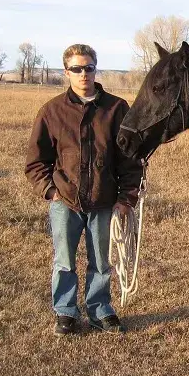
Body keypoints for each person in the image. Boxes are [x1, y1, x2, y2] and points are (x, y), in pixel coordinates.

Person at [25, 44, 143, 336]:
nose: (83, 74)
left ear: (95, 69)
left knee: (102, 262)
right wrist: (51, 191)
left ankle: (100, 310)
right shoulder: (51, 111)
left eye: (88, 67)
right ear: (66, 72)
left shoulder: (116, 109)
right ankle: (65, 312)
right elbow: (36, 161)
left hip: (104, 201)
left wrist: (126, 198)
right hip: (65, 201)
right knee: (64, 260)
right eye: (76, 69)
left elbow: (130, 159)